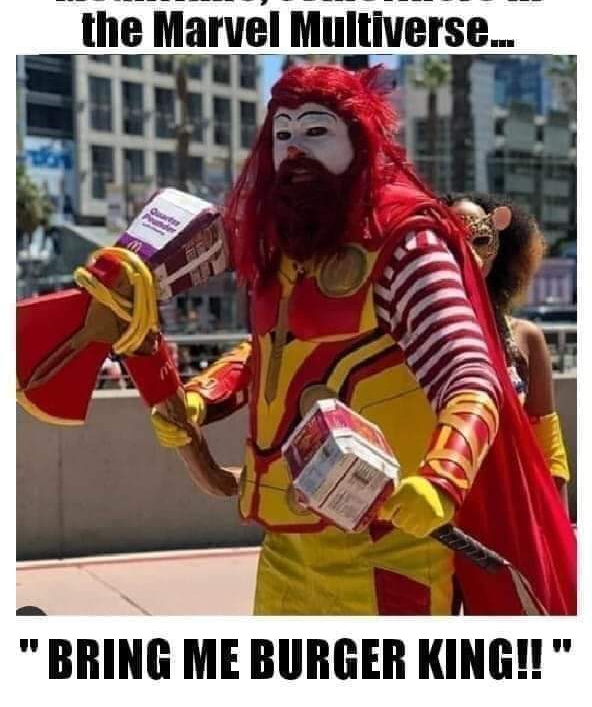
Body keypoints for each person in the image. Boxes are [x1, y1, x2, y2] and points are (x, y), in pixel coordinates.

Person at [151, 65, 575, 615]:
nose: (295, 150)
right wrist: (199, 398)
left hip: (388, 548)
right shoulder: (287, 250)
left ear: (359, 141)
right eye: (282, 133)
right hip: (285, 544)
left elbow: (470, 377)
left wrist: (442, 477)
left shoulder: (406, 241)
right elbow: (271, 354)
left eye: (315, 130)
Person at [446, 194, 571, 507]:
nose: (468, 252)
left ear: (500, 248)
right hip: (436, 508)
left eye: (480, 239)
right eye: (451, 240)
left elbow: (549, 449)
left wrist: (557, 528)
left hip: (509, 507)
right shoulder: (409, 336)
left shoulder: (525, 338)